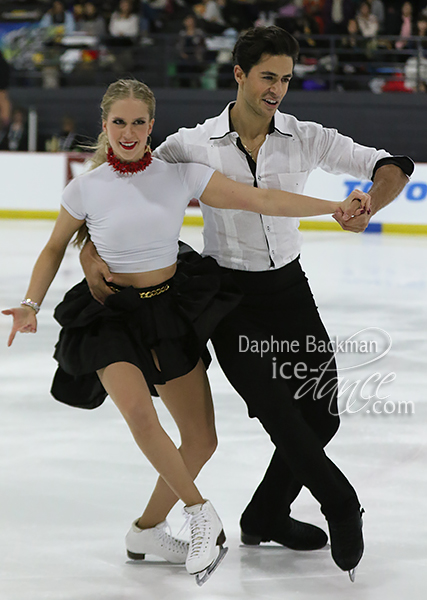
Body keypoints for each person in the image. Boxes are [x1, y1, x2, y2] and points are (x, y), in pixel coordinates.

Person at [1, 78, 367, 584]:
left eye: (138, 122)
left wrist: (332, 208)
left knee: (200, 440)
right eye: (118, 122)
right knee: (140, 414)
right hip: (109, 316)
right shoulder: (84, 187)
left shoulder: (182, 173)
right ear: (104, 125)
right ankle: (198, 512)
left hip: (167, 312)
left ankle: (146, 530)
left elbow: (261, 201)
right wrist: (29, 303)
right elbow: (53, 247)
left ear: (152, 125)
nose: (128, 132)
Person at [80, 27, 413, 582]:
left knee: (321, 414)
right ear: (238, 75)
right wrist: (91, 252)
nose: (277, 88)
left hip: (289, 290)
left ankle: (265, 514)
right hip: (228, 298)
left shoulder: (306, 137)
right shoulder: (192, 144)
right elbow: (121, 190)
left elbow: (391, 161)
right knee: (281, 414)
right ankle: (339, 500)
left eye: (285, 78)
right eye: (267, 77)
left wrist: (371, 203)